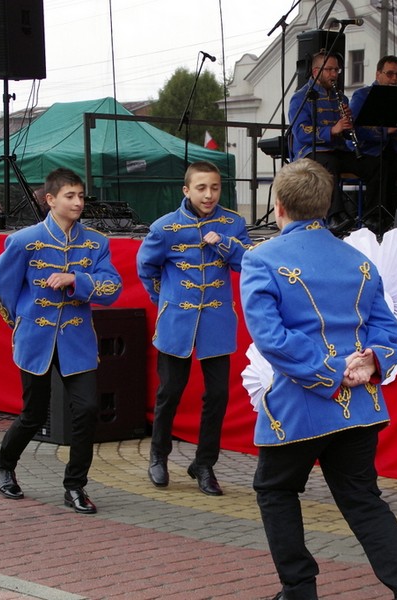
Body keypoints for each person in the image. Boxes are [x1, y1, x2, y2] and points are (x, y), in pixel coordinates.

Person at [239, 158, 397, 600]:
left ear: (279, 205)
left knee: (275, 489)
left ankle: (299, 589)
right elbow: (387, 330)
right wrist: (371, 362)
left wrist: (330, 371)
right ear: (326, 206)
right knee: (362, 500)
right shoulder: (357, 261)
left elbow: (271, 338)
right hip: (359, 405)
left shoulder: (261, 259)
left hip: (300, 406)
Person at [0, 167, 122, 514]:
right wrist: (20, 324)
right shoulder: (24, 241)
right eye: (70, 196)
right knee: (34, 414)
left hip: (77, 340)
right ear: (50, 200)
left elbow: (112, 287)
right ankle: (3, 463)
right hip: (35, 338)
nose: (78, 202)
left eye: (81, 196)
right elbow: (1, 288)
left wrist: (76, 279)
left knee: (87, 410)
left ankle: (75, 485)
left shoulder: (96, 243)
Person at [136, 161, 251, 496]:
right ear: (186, 190)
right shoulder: (164, 227)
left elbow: (247, 263)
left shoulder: (232, 223)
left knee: (217, 395)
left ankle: (204, 464)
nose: (209, 195)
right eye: (201, 188)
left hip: (216, 321)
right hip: (177, 321)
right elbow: (146, 267)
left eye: (214, 187)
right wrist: (166, 300)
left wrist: (225, 243)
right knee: (170, 392)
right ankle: (158, 455)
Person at [288, 51, 381, 234]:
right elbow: (300, 131)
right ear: (316, 71)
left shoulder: (341, 98)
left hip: (338, 150)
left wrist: (348, 126)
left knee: (375, 164)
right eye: (329, 70)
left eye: (336, 70)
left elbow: (345, 135)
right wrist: (331, 130)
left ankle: (372, 216)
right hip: (310, 151)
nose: (334, 74)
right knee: (329, 163)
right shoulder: (301, 97)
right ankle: (335, 216)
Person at [349, 55, 397, 230]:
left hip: (395, 152)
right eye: (390, 74)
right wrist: (385, 131)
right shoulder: (362, 95)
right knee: (382, 167)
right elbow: (355, 130)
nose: (394, 79)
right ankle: (373, 218)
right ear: (378, 74)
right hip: (369, 152)